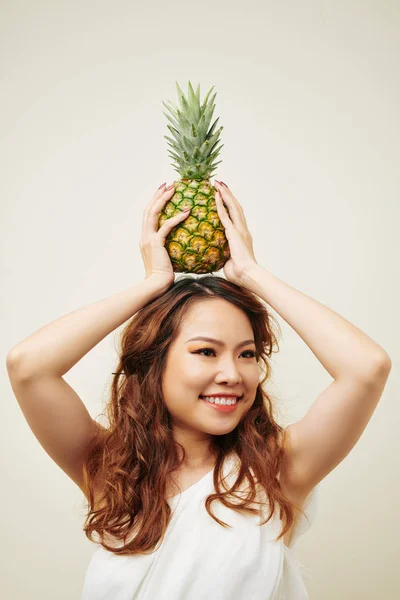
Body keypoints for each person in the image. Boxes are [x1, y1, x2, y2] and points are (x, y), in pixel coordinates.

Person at [6, 180, 391, 599]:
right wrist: (152, 283)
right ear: (155, 360)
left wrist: (251, 274)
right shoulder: (113, 472)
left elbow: (366, 368)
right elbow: (28, 367)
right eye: (206, 351)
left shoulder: (278, 470)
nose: (233, 374)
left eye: (247, 354)